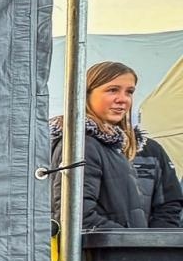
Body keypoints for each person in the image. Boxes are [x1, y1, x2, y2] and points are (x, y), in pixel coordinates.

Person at [51, 61, 182, 229]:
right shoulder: (80, 145)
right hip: (100, 253)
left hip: (133, 252)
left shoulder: (145, 148)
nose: (123, 99)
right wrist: (131, 243)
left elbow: (170, 206)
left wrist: (152, 246)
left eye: (130, 92)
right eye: (112, 90)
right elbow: (76, 217)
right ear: (86, 94)